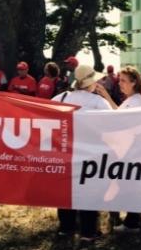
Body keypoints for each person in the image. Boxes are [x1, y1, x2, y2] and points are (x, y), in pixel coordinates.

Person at [52, 65, 112, 248]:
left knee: (65, 190)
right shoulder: (99, 103)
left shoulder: (59, 98)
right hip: (91, 156)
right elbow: (112, 127)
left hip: (65, 154)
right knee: (88, 193)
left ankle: (66, 226)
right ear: (92, 82)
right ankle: (87, 232)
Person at [108, 66, 141, 232]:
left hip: (130, 151)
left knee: (129, 186)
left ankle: (133, 222)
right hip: (126, 149)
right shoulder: (131, 100)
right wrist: (107, 97)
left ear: (134, 82)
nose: (120, 84)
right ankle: (133, 220)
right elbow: (118, 114)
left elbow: (125, 123)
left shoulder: (136, 101)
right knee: (127, 185)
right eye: (119, 80)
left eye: (123, 80)